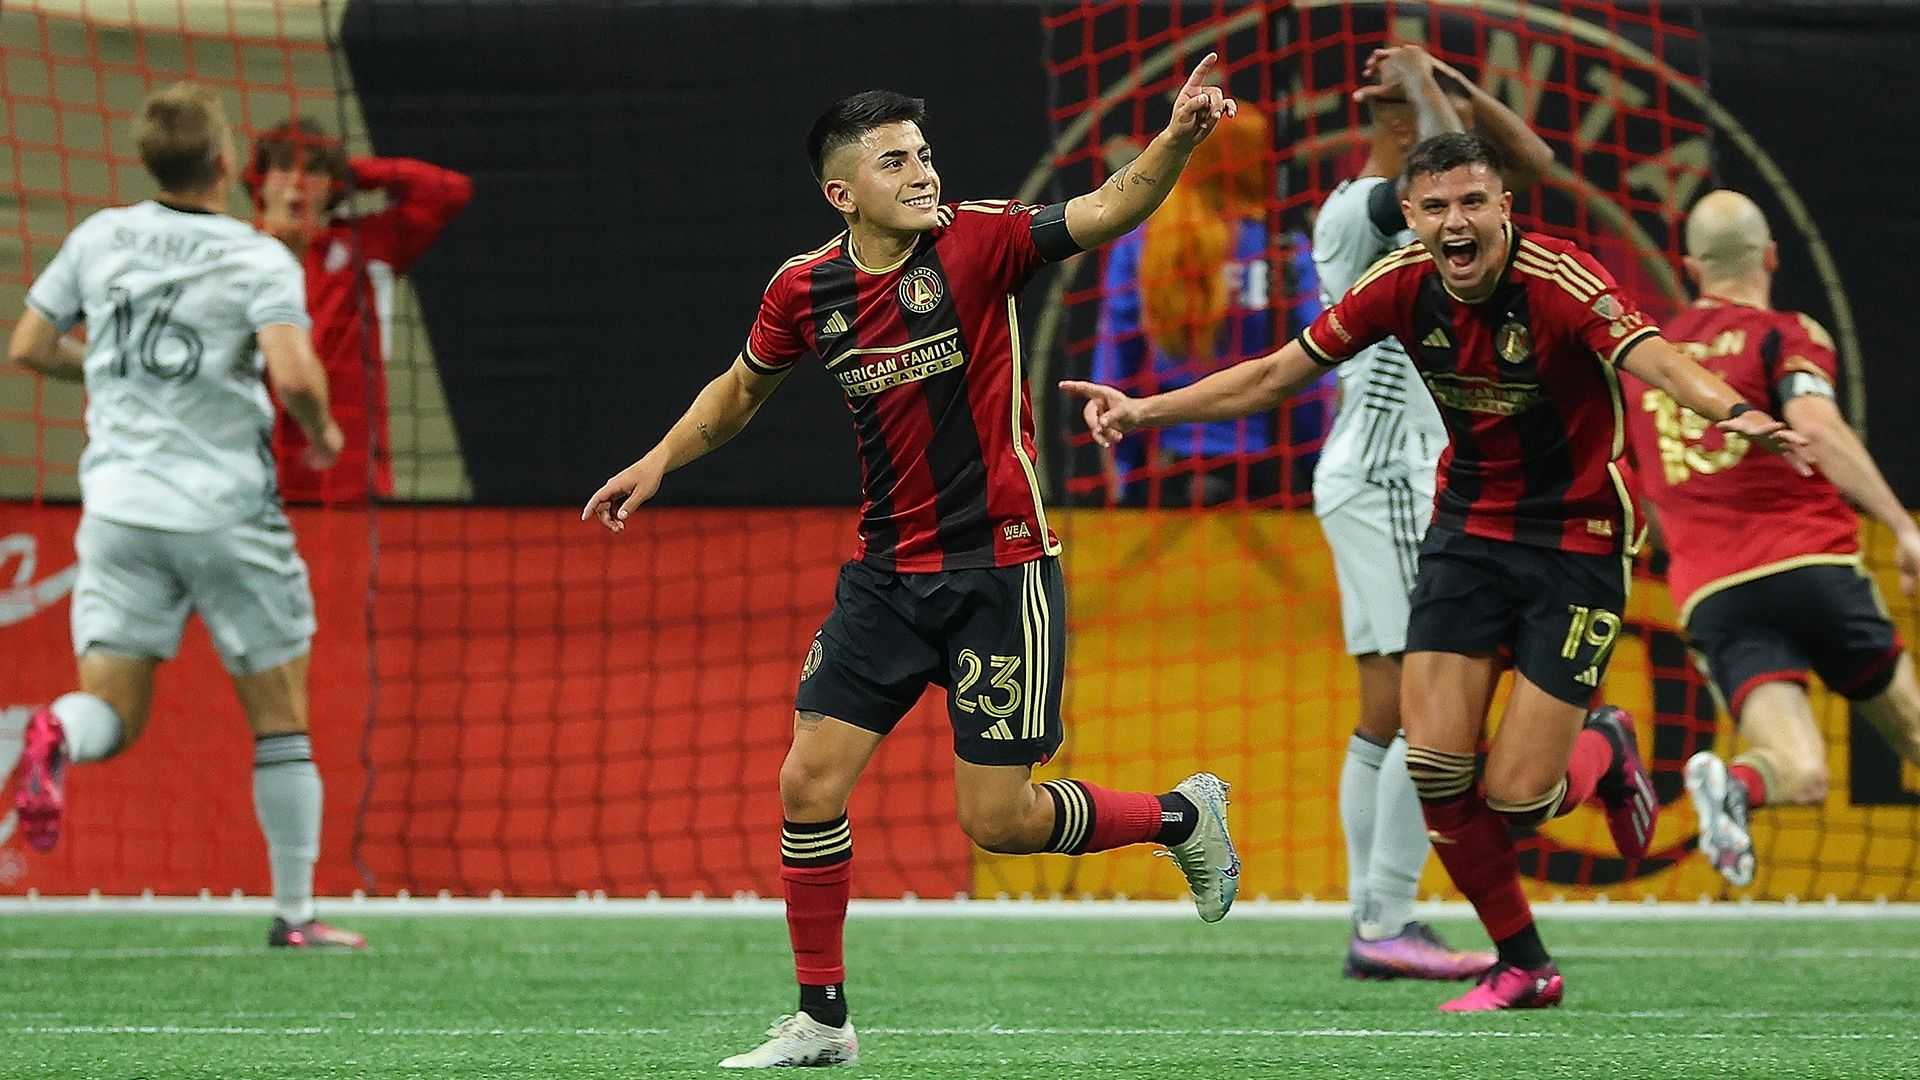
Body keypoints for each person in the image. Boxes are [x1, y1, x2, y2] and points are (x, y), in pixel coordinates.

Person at [583, 57, 1243, 1068]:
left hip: (1002, 572)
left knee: (1000, 823)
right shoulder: (804, 288)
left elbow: (1109, 208)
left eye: (924, 153)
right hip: (887, 578)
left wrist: (1178, 137)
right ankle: (823, 1021)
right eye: (894, 161)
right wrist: (659, 459)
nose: (923, 172)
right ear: (842, 193)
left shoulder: (982, 240)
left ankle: (1182, 816)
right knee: (808, 783)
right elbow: (740, 389)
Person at [1062, 132, 1810, 1011]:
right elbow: (1273, 375)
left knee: (1520, 798)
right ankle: (1522, 963)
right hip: (1467, 533)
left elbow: (1655, 357)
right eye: (1438, 207)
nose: (1458, 222)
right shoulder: (1397, 283)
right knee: (1435, 768)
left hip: (1577, 542)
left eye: (1473, 203)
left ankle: (1605, 748)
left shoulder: (1559, 279)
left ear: (1504, 209)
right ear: (1412, 218)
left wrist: (1732, 411)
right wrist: (1144, 410)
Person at [6, 83, 362, 949]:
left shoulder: (98, 236)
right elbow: (296, 375)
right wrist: (323, 433)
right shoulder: (255, 257)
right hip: (224, 512)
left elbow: (29, 345)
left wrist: (111, 369)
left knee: (111, 714)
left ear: (147, 161)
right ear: (224, 164)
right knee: (281, 715)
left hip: (118, 511)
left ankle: (54, 731)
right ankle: (295, 915)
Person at [1313, 45, 1552, 982]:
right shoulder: (1359, 210)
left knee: (1390, 711)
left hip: (1394, 478)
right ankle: (1384, 918)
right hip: (1388, 474)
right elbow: (1460, 162)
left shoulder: (1435, 198)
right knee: (1433, 705)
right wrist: (1423, 81)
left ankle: (1378, 919)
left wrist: (1447, 80)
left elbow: (1530, 164)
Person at [1622, 189, 1920, 887]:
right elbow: (1815, 427)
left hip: (1716, 593)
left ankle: (1737, 786)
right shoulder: (1785, 332)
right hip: (1812, 568)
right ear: (1772, 257)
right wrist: (1903, 527)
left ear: (1691, 268)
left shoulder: (1649, 367)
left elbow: (1648, 502)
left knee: (1800, 771)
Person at [1090, 104, 1324, 505]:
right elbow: (1314, 372)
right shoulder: (1282, 248)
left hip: (1170, 471)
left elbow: (1116, 366)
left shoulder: (1142, 244)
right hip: (1270, 470)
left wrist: (1123, 477)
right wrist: (1317, 465)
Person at [248, 117, 472, 503]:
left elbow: (449, 191)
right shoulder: (234, 257)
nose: (297, 182)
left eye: (313, 170)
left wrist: (350, 172)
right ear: (261, 182)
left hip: (348, 479)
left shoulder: (366, 247)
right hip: (256, 476)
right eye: (284, 167)